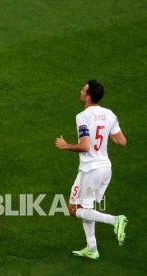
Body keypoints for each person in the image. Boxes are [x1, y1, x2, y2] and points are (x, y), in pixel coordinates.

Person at [55, 80, 128, 260]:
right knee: (87, 207)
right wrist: (103, 135)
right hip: (105, 168)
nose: (81, 90)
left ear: (88, 96)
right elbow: (121, 141)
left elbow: (86, 146)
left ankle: (115, 220)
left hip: (90, 170)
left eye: (83, 89)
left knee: (73, 209)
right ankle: (92, 248)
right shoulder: (109, 114)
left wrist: (65, 146)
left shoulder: (83, 116)